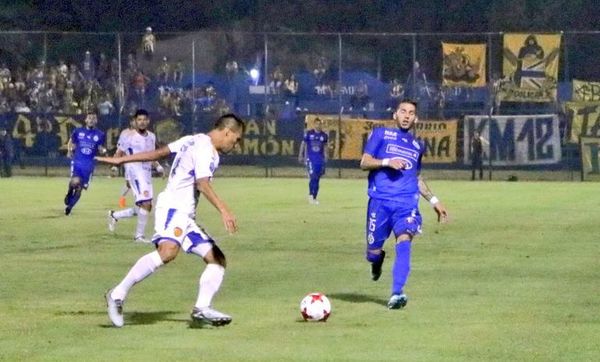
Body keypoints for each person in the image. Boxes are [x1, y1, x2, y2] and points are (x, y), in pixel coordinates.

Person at [98, 113, 245, 328]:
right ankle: (117, 294)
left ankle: (202, 308)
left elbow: (159, 153)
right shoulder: (206, 149)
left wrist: (123, 159)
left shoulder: (192, 139)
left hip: (185, 215)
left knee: (217, 260)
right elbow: (202, 184)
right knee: (167, 252)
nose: (236, 143)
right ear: (227, 131)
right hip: (174, 209)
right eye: (237, 138)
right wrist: (224, 210)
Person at [360, 99, 448, 309]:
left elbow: (416, 178)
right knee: (372, 253)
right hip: (379, 202)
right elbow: (364, 162)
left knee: (405, 240)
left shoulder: (417, 146)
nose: (407, 116)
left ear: (415, 118)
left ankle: (397, 293)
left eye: (411, 113)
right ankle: (377, 259)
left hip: (406, 203)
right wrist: (386, 162)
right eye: (403, 111)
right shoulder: (380, 134)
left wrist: (434, 201)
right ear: (395, 115)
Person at [107, 109, 164, 243]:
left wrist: (158, 166)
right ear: (135, 121)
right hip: (134, 172)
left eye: (144, 119)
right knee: (146, 203)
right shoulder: (129, 136)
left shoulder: (151, 136)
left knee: (145, 206)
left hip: (146, 173)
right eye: (139, 120)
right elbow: (119, 152)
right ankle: (139, 236)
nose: (142, 122)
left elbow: (151, 155)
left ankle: (114, 215)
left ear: (148, 121)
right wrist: (115, 166)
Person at [63, 110, 107, 215]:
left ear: (96, 121)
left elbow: (100, 147)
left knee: (80, 188)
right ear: (86, 120)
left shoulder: (100, 134)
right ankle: (69, 192)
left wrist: (103, 151)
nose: (91, 120)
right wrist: (69, 151)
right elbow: (71, 142)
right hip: (78, 162)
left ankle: (69, 208)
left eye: (93, 118)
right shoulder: (78, 131)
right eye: (89, 118)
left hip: (89, 165)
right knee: (74, 182)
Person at [298, 118, 328, 204]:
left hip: (320, 160)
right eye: (317, 124)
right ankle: (311, 195)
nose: (318, 126)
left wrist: (326, 156)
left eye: (320, 124)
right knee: (313, 177)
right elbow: (303, 144)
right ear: (314, 124)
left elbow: (325, 147)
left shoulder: (324, 136)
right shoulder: (309, 134)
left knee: (317, 179)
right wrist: (301, 155)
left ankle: (315, 197)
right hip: (310, 159)